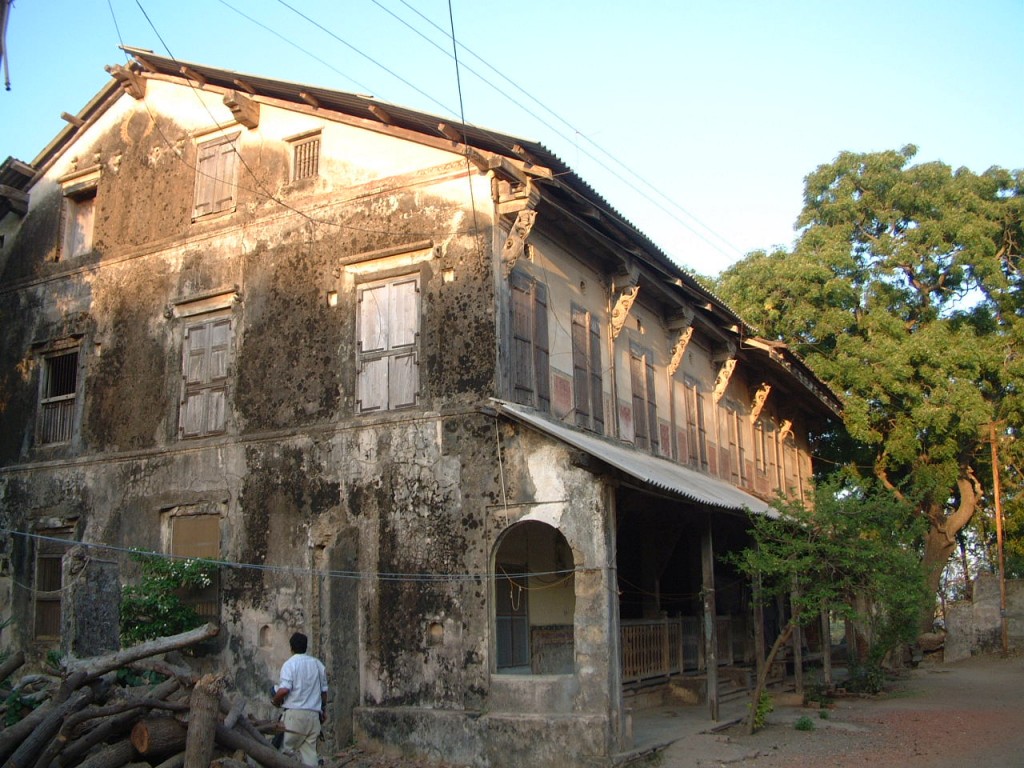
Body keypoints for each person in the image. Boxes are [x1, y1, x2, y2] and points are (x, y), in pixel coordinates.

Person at [271, 632, 328, 766]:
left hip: (295, 716)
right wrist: (323, 710)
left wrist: (275, 700)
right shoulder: (318, 665)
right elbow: (324, 692)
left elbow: (284, 689)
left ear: (291, 647)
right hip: (314, 716)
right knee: (310, 755)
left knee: (284, 753)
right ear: (306, 647)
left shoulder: (290, 664)